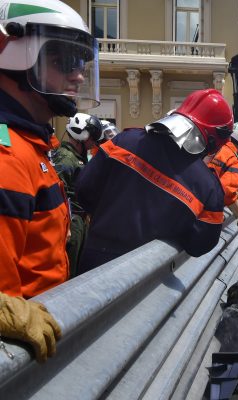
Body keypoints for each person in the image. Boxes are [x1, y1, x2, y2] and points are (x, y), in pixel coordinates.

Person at [0, 0, 100, 362]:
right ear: (15, 60)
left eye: (81, 63)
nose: (79, 75)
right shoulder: (7, 157)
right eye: (64, 62)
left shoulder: (31, 145)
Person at [76, 89, 233, 273]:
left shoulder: (123, 141)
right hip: (149, 279)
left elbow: (83, 190)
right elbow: (199, 244)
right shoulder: (208, 187)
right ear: (215, 141)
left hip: (93, 264)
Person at [52, 113, 103, 275]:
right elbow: (58, 191)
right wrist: (65, 226)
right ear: (82, 134)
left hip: (79, 220)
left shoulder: (77, 158)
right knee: (71, 268)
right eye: (92, 136)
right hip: (72, 222)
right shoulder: (66, 158)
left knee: (79, 267)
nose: (93, 141)